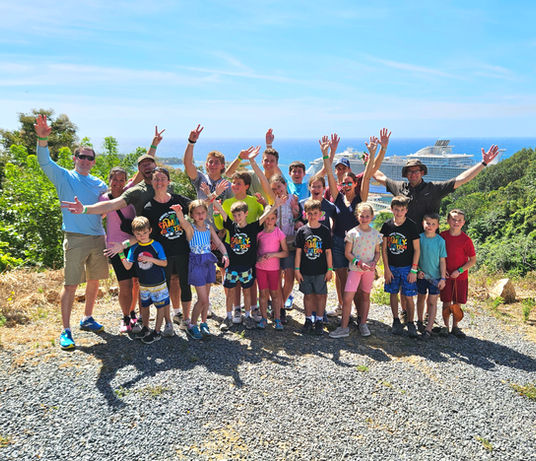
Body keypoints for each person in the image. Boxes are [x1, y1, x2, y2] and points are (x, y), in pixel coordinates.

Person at [35, 114, 108, 350]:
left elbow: (107, 204)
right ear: (74, 158)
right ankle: (65, 330)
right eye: (81, 156)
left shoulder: (99, 183)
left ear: (94, 162)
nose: (85, 160)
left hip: (98, 237)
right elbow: (44, 162)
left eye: (89, 158)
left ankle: (87, 318)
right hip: (75, 238)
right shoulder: (64, 177)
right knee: (70, 284)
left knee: (94, 281)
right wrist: (42, 139)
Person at [372, 145, 500, 232]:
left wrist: (483, 163)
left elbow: (461, 179)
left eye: (416, 171)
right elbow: (379, 177)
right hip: (406, 238)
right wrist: (369, 162)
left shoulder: (434, 188)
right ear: (406, 174)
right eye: (409, 171)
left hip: (428, 238)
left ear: (422, 172)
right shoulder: (400, 187)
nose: (413, 174)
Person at [321, 136, 376, 320]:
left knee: (357, 280)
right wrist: (325, 154)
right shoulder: (337, 197)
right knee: (342, 278)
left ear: (355, 183)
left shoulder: (360, 198)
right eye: (343, 183)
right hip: (338, 241)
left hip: (356, 244)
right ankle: (345, 310)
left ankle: (360, 315)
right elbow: (330, 175)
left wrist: (373, 153)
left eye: (349, 183)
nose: (346, 185)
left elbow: (367, 176)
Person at [214, 195, 285, 330]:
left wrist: (275, 206)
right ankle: (228, 317)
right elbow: (222, 212)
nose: (237, 218)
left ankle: (247, 316)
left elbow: (264, 216)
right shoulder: (231, 226)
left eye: (239, 215)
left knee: (247, 291)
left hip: (246, 266)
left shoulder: (253, 228)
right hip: (232, 266)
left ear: (246, 214)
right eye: (235, 216)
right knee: (230, 292)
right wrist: (211, 197)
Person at [172, 194, 229, 340]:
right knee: (202, 299)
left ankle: (204, 323)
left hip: (208, 263)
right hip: (196, 264)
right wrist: (179, 212)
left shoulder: (209, 227)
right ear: (192, 215)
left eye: (203, 212)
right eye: (197, 213)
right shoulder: (191, 228)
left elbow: (218, 242)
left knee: (206, 298)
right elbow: (183, 222)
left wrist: (225, 254)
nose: (200, 215)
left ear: (206, 213)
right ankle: (192, 324)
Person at [142, 167, 192, 333]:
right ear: (152, 182)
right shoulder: (148, 208)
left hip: (182, 250)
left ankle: (186, 319)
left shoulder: (178, 200)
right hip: (163, 254)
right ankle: (168, 322)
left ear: (169, 182)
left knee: (184, 284)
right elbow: (146, 233)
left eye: (163, 179)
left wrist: (212, 196)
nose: (160, 182)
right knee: (164, 288)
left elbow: (197, 208)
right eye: (156, 179)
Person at [329, 203, 381, 339]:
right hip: (355, 270)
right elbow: (347, 253)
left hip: (369, 271)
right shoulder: (352, 233)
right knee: (347, 298)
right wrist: (358, 262)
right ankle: (344, 327)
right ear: (357, 216)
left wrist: (374, 262)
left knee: (365, 296)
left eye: (367, 216)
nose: (364, 219)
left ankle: (363, 323)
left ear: (372, 217)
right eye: (362, 216)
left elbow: (377, 252)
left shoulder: (375, 234)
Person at [99, 166, 141, 334]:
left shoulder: (129, 192)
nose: (118, 183)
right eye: (114, 179)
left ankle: (133, 312)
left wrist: (153, 148)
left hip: (134, 243)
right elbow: (96, 216)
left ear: (125, 181)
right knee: (125, 284)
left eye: (121, 179)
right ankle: (125, 317)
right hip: (116, 248)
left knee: (136, 282)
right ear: (109, 180)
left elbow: (141, 171)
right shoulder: (104, 198)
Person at [119, 216, 169, 344]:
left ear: (150, 230)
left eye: (145, 233)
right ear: (134, 233)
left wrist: (150, 259)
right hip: (144, 284)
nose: (142, 236)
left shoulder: (156, 245)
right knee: (144, 306)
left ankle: (157, 332)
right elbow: (128, 266)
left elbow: (164, 263)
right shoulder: (134, 248)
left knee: (160, 306)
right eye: (138, 234)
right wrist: (121, 253)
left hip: (158, 283)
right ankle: (146, 328)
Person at [380, 196, 420, 338]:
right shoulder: (387, 226)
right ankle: (396, 320)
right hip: (392, 267)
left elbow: (417, 249)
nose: (399, 213)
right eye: (396, 210)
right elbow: (384, 249)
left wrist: (414, 270)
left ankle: (410, 322)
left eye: (402, 210)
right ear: (392, 209)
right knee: (393, 293)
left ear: (406, 210)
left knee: (409, 296)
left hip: (407, 267)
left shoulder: (411, 226)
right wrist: (386, 269)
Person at [294, 199, 333, 336]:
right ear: (305, 214)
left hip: (321, 270)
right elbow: (298, 252)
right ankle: (308, 319)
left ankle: (319, 320)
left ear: (320, 214)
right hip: (305, 270)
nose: (312, 216)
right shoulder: (302, 231)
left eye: (315, 213)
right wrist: (297, 270)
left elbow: (328, 252)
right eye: (309, 213)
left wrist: (329, 270)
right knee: (308, 295)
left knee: (321, 295)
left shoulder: (325, 231)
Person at [267, 174, 301, 319]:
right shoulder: (272, 201)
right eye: (274, 189)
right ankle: (279, 308)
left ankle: (280, 304)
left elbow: (298, 218)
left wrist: (294, 209)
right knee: (275, 278)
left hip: (290, 242)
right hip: (274, 244)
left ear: (285, 185)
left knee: (289, 277)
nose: (277, 191)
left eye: (279, 187)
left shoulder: (293, 199)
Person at [439, 209, 476, 338]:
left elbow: (472, 260)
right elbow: (438, 255)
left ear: (463, 222)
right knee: (446, 301)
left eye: (459, 220)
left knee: (457, 303)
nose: (456, 222)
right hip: (445, 276)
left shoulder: (466, 240)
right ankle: (445, 326)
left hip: (460, 277)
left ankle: (455, 327)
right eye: (453, 219)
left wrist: (459, 271)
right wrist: (442, 271)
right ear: (448, 220)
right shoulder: (442, 236)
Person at [182, 124, 232, 219]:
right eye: (210, 162)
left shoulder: (227, 185)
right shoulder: (200, 178)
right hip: (202, 224)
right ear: (206, 164)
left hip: (220, 226)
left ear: (222, 166)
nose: (213, 165)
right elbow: (187, 164)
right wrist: (191, 142)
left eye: (216, 162)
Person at [255, 209, 288, 330]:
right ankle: (264, 318)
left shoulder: (279, 233)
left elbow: (285, 252)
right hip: (260, 268)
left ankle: (277, 318)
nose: (269, 221)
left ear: (276, 219)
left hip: (274, 269)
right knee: (263, 293)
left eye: (272, 218)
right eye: (267, 218)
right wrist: (258, 258)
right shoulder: (259, 233)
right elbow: (254, 250)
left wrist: (273, 255)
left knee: (275, 293)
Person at [224, 129, 283, 199]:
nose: (268, 163)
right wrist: (239, 158)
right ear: (262, 162)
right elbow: (229, 174)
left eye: (272, 161)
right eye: (266, 160)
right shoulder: (252, 175)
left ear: (277, 163)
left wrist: (269, 145)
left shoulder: (279, 180)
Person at [416, 213, 447, 340]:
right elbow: (415, 256)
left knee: (432, 302)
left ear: (437, 226)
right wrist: (417, 270)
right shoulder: (419, 238)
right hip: (422, 275)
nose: (430, 226)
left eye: (433, 224)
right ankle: (419, 322)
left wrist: (443, 278)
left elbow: (442, 261)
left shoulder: (440, 241)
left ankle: (428, 329)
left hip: (436, 277)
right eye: (428, 223)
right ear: (423, 224)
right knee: (420, 298)